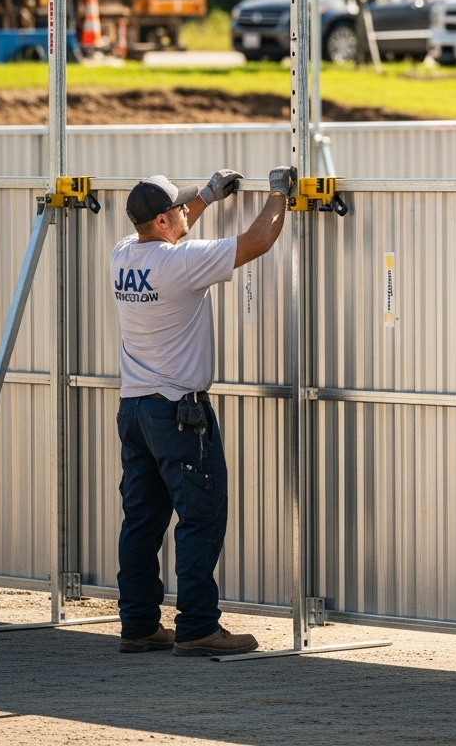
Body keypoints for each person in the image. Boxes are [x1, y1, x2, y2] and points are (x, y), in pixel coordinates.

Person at [112, 166, 295, 657]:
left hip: (135, 410)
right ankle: (197, 627)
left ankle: (139, 626)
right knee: (201, 518)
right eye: (179, 208)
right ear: (167, 221)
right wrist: (279, 194)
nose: (184, 213)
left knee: (142, 523)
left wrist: (208, 197)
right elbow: (257, 240)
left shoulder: (123, 254)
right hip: (178, 414)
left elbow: (173, 228)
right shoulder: (182, 263)